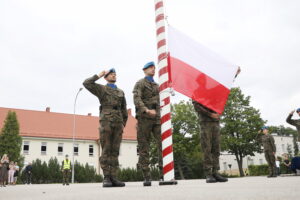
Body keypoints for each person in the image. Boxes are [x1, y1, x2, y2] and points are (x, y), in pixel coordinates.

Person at [83, 68, 128, 187]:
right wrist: (98, 75)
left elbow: (124, 109)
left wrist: (124, 124)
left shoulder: (121, 92)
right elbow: (86, 83)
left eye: (115, 74)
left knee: (115, 151)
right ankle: (106, 177)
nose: (113, 75)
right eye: (111, 74)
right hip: (106, 122)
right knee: (106, 149)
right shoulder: (102, 89)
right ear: (106, 77)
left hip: (118, 123)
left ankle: (114, 177)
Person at [133, 61, 162, 186]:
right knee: (144, 147)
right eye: (150, 68)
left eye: (154, 68)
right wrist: (146, 109)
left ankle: (164, 173)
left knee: (162, 145)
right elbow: (136, 98)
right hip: (144, 118)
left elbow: (161, 100)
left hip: (157, 119)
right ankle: (147, 176)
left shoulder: (157, 85)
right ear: (144, 70)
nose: (153, 69)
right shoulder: (140, 83)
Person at [192, 101, 228, 183]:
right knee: (206, 147)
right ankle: (208, 173)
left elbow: (221, 103)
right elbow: (197, 106)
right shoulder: (198, 91)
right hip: (205, 122)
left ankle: (215, 172)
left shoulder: (214, 90)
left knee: (216, 148)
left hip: (215, 122)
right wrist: (210, 114)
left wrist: (219, 111)